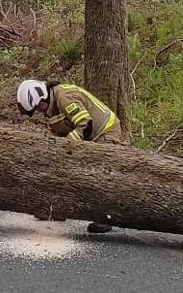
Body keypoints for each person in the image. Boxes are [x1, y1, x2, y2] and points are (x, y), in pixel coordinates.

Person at [16, 78, 125, 234]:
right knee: (61, 168)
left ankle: (105, 216)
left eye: (39, 107)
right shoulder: (51, 108)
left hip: (105, 131)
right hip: (89, 134)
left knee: (99, 173)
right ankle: (58, 209)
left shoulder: (64, 97)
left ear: (42, 96)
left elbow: (85, 125)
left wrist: (67, 146)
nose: (40, 111)